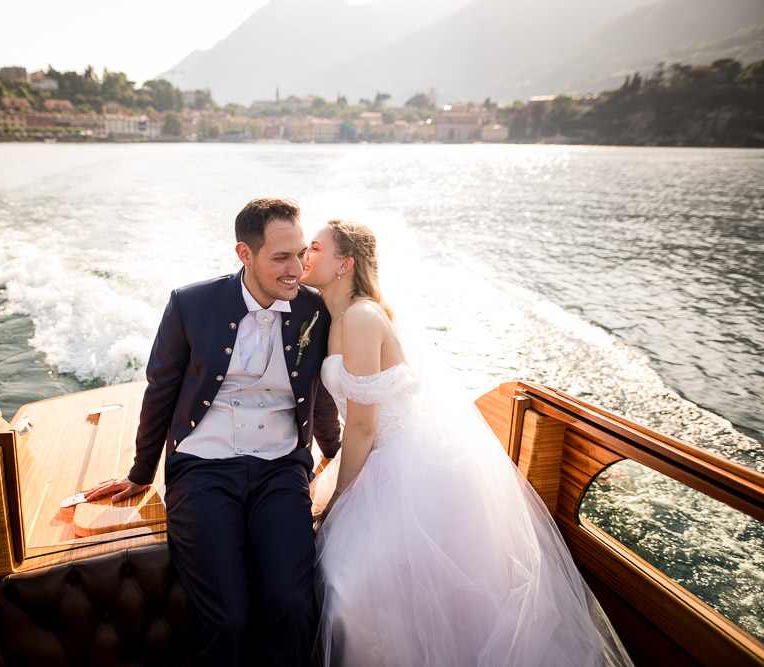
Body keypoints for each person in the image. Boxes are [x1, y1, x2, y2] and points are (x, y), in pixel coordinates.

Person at [301, 219, 634, 666]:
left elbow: (362, 426)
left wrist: (339, 499)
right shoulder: (335, 316)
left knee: (351, 591)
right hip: (374, 456)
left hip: (405, 466)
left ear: (345, 264)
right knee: (352, 586)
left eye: (315, 247)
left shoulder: (361, 317)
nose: (305, 254)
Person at [84, 198, 341, 666]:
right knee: (229, 620)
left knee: (292, 607)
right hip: (202, 468)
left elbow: (318, 388)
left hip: (281, 469)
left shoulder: (315, 309)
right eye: (281, 257)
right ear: (245, 254)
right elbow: (161, 390)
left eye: (302, 253)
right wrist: (141, 472)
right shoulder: (190, 304)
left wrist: (334, 448)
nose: (297, 268)